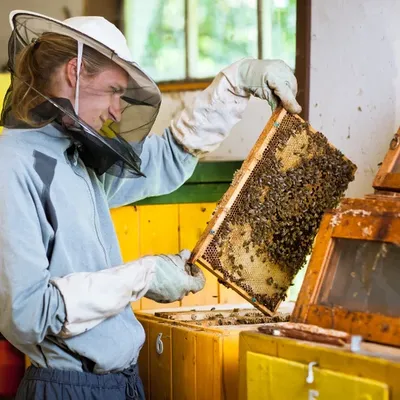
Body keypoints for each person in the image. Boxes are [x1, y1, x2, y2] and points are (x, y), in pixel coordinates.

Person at [0, 9, 301, 400]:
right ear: (74, 73)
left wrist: (236, 82)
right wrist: (142, 277)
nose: (117, 110)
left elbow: (169, 158)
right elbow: (28, 314)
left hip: (122, 382)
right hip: (66, 387)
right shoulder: (13, 164)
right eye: (113, 91)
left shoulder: (78, 158)